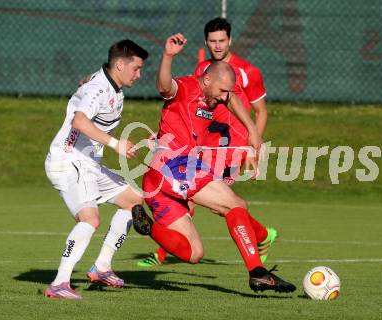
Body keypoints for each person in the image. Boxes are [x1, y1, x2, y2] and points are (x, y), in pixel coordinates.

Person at [132, 33, 296, 293]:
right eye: (220, 90)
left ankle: (148, 227)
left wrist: (252, 130)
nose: (223, 98)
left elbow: (230, 99)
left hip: (156, 179)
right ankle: (258, 271)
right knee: (235, 205)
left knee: (194, 252)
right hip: (175, 164)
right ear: (206, 79)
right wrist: (168, 57)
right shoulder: (186, 87)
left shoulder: (216, 94)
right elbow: (164, 87)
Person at [44, 40, 149, 299]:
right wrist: (116, 144)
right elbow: (79, 121)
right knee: (90, 219)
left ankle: (102, 266)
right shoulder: (98, 89)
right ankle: (59, 283)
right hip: (68, 160)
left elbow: (89, 83)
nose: (139, 74)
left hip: (88, 163)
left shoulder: (111, 87)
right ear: (120, 65)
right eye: (136, 68)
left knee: (134, 202)